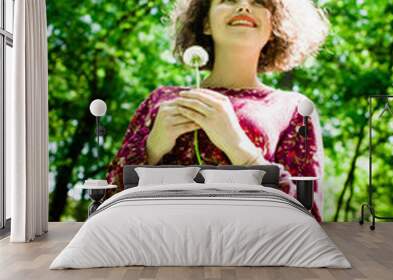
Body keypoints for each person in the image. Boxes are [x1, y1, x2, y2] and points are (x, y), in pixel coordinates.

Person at [106, 0, 329, 222]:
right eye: (228, 0)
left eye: (258, 2)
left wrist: (240, 148)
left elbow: (309, 215)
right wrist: (152, 149)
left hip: (249, 252)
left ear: (276, 25)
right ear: (205, 23)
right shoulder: (161, 99)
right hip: (156, 245)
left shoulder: (295, 109)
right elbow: (108, 199)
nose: (243, 6)